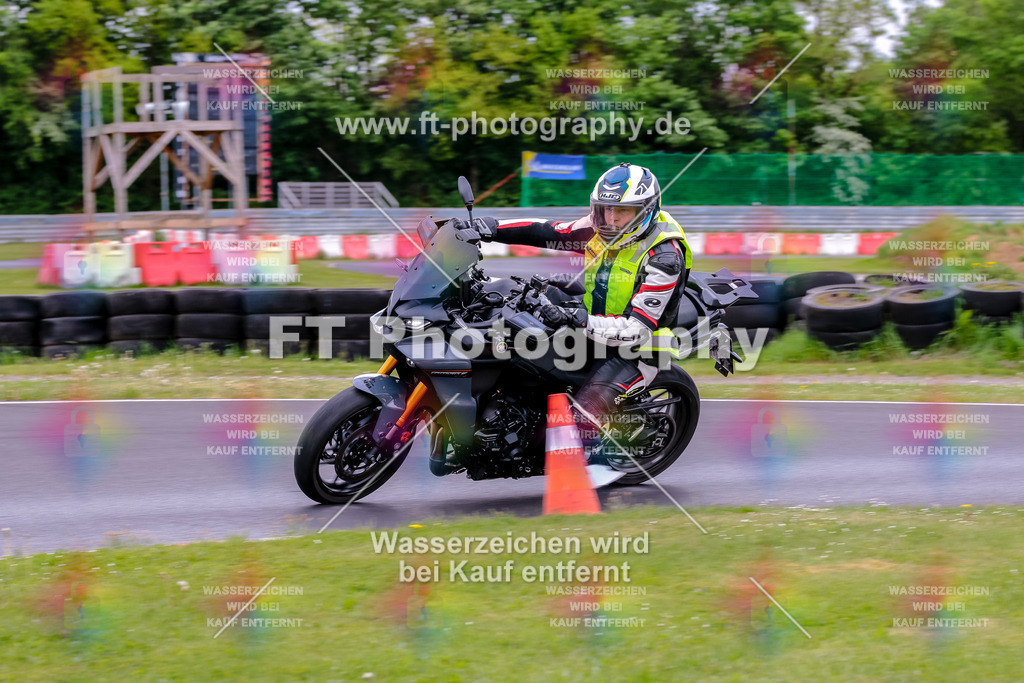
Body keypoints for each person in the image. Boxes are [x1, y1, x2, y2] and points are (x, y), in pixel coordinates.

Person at [458, 162, 692, 460]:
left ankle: (596, 473)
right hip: (595, 322)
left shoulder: (664, 258)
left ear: (645, 211)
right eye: (604, 209)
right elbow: (546, 231)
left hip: (639, 347)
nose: (611, 218)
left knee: (580, 422)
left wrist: (577, 319)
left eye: (621, 212)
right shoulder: (601, 228)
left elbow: (637, 329)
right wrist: (490, 229)